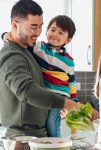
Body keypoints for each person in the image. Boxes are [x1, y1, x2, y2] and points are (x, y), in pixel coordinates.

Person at [0, 0, 82, 139]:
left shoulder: (28, 50)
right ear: (15, 24)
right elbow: (26, 91)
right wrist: (70, 105)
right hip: (23, 138)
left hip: (36, 136)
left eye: (40, 27)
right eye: (33, 27)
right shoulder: (12, 55)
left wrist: (64, 104)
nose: (38, 32)